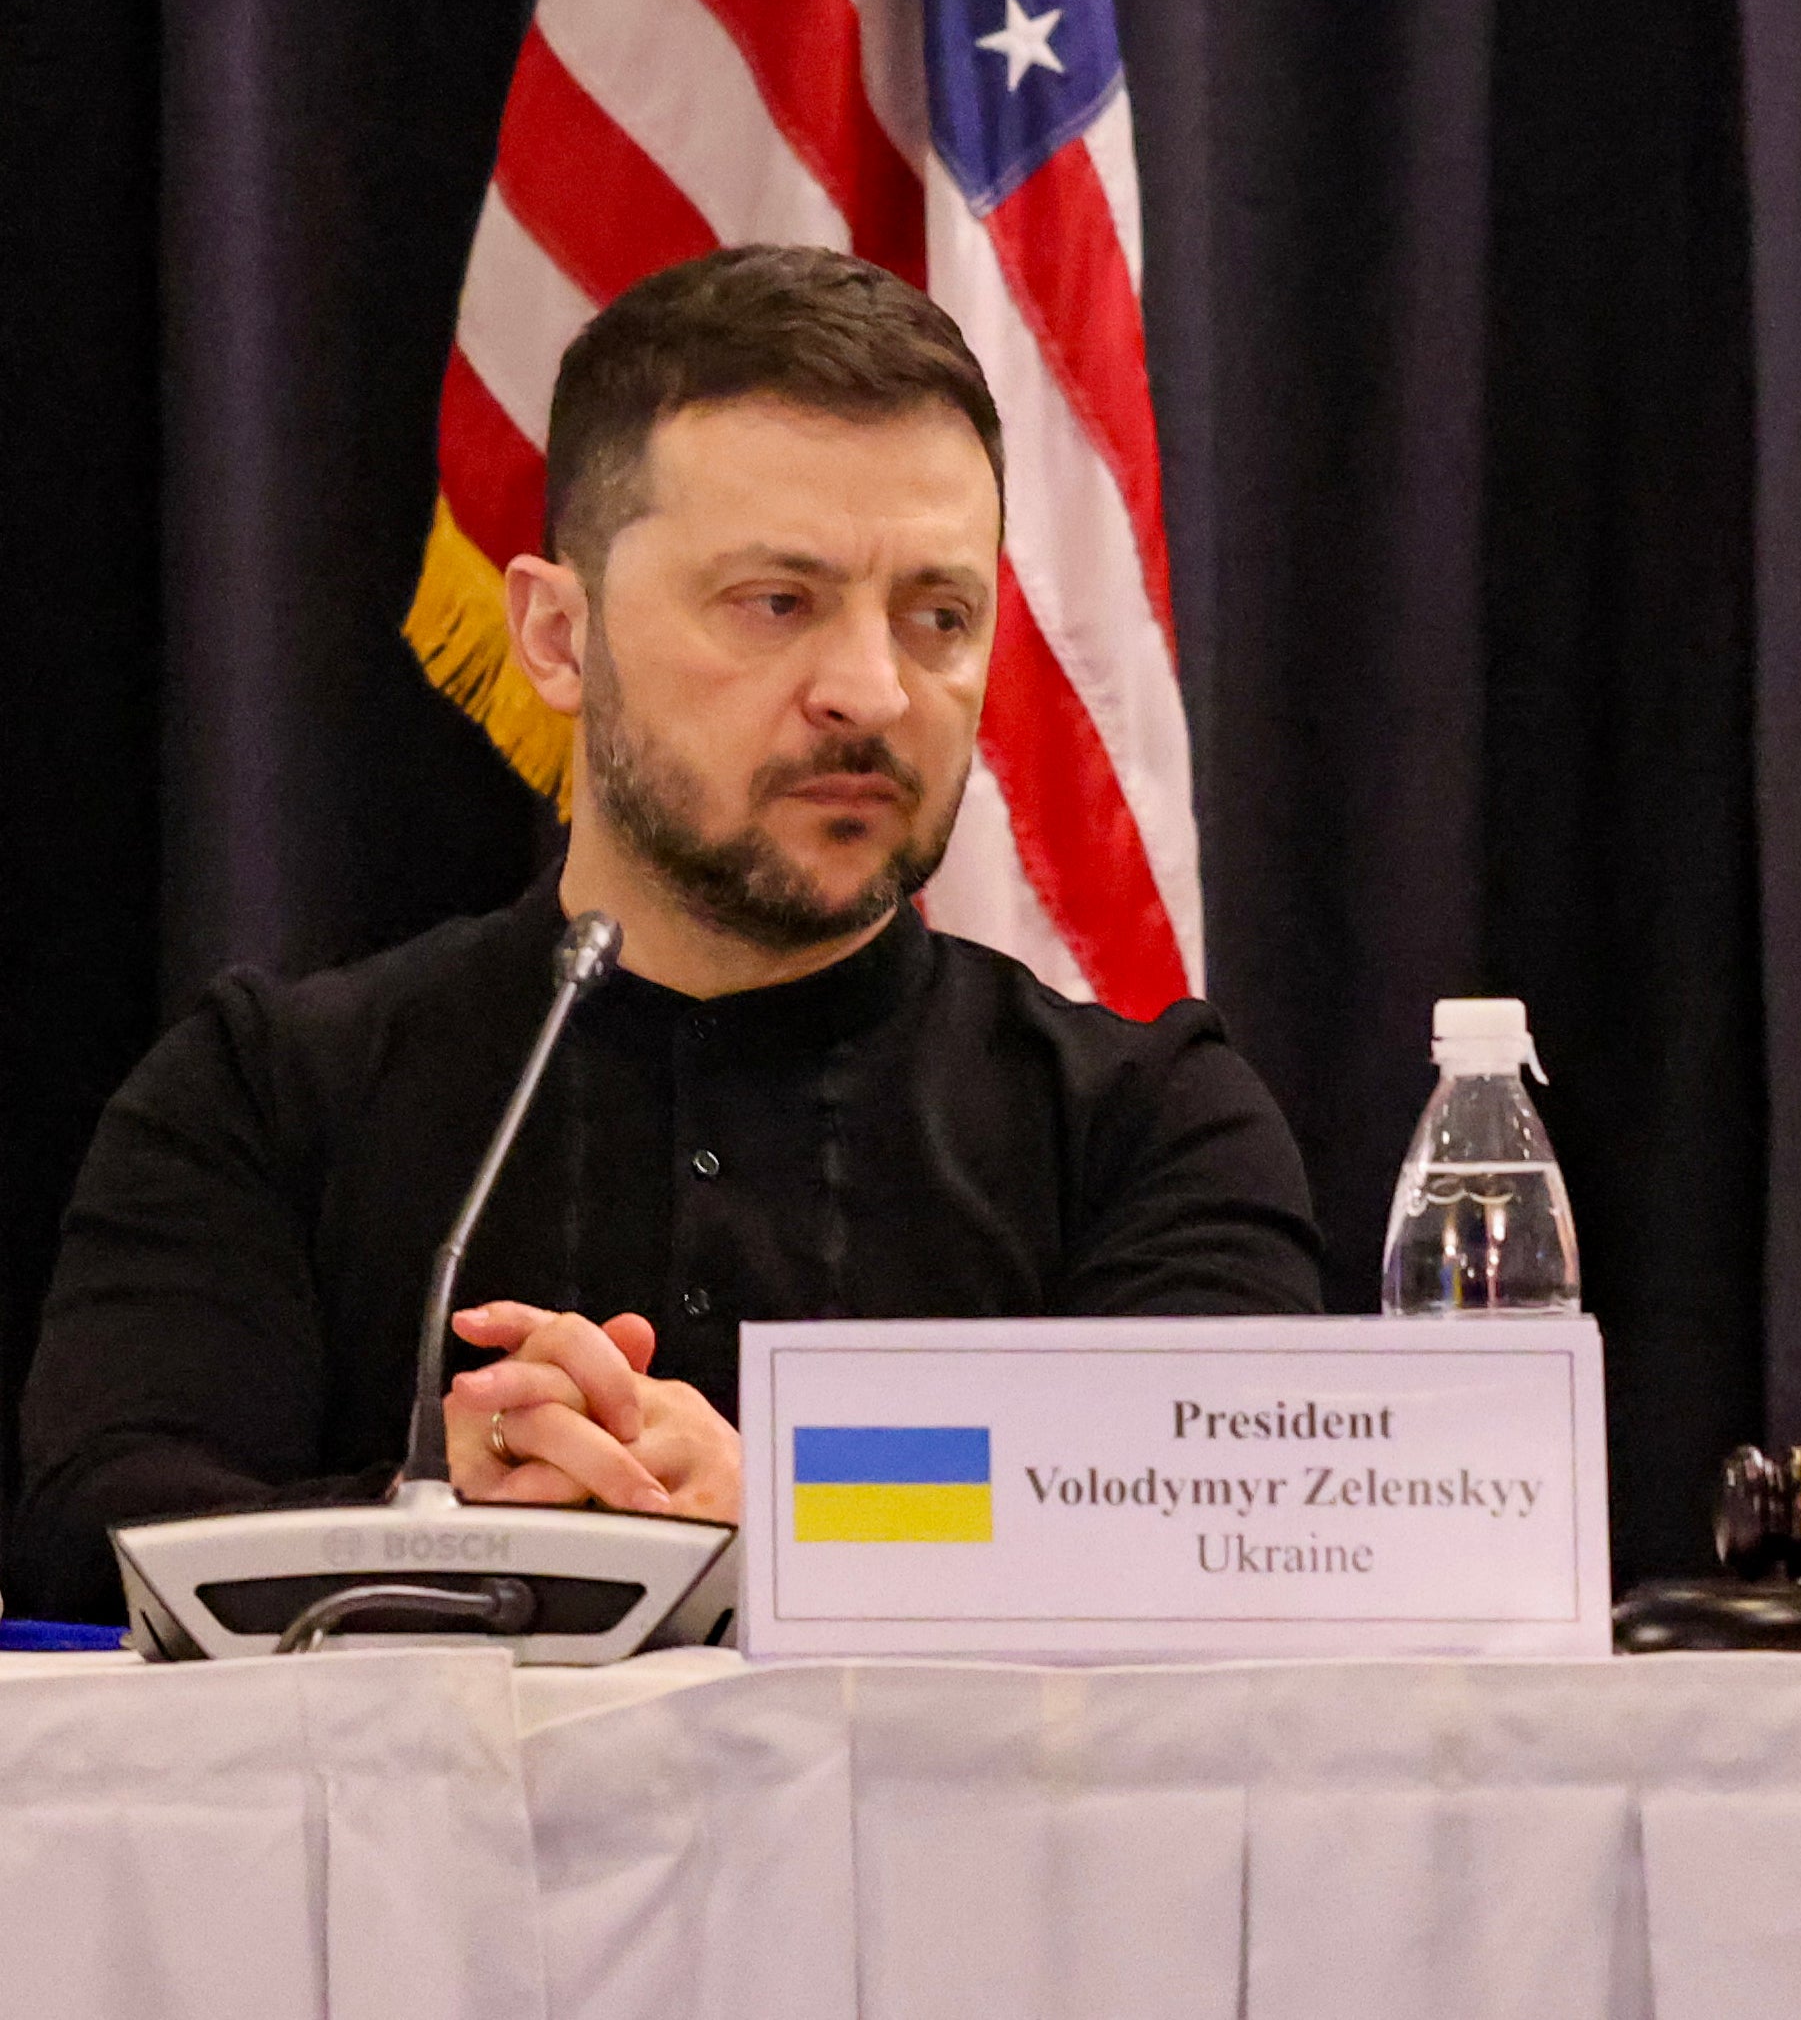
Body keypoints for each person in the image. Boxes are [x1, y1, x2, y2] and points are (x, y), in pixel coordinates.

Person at [9, 247, 1325, 1621]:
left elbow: (1218, 1525)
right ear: (558, 638)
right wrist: (427, 1517)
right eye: (777, 604)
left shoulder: (1146, 1123)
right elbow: (86, 1528)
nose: (871, 692)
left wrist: (797, 1511)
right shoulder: (271, 1092)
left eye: (939, 616)